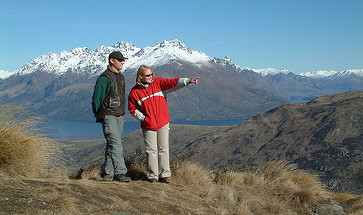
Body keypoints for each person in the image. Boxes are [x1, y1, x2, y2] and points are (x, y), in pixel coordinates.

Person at [128, 65, 200, 183]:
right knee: (151, 150)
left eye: (151, 74)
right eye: (147, 75)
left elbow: (172, 82)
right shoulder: (134, 92)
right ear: (140, 76)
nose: (151, 77)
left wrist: (188, 81)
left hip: (163, 123)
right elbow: (132, 109)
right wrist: (144, 119)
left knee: (163, 149)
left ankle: (164, 175)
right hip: (148, 125)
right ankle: (152, 176)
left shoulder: (159, 83)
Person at [92, 51, 131, 182]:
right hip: (108, 115)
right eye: (120, 60)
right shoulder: (104, 78)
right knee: (116, 144)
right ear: (112, 61)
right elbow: (97, 99)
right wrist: (100, 114)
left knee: (112, 145)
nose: (123, 62)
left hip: (119, 115)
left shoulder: (121, 77)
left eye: (123, 60)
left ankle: (108, 174)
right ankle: (120, 173)